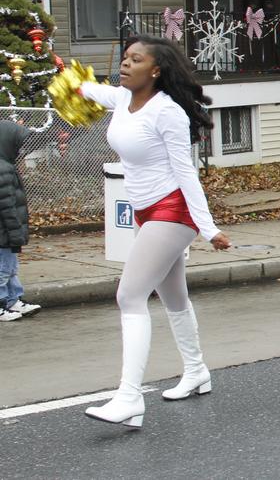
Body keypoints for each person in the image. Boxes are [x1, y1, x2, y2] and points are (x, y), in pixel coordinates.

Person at [81, 35, 232, 428]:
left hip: (172, 210)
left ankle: (129, 397)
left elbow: (187, 174)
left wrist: (207, 227)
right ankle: (197, 370)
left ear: (156, 70)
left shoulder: (168, 113)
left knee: (129, 295)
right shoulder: (123, 100)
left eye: (136, 59)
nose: (125, 64)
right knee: (173, 295)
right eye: (125, 58)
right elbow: (89, 90)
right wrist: (58, 73)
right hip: (145, 210)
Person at [0, 120, 40, 322]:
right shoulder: (3, 168)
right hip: (5, 233)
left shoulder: (6, 165)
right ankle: (3, 304)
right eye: (17, 143)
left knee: (11, 269)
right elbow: (6, 206)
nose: (20, 149)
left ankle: (13, 300)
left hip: (7, 233)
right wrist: (16, 234)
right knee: (3, 271)